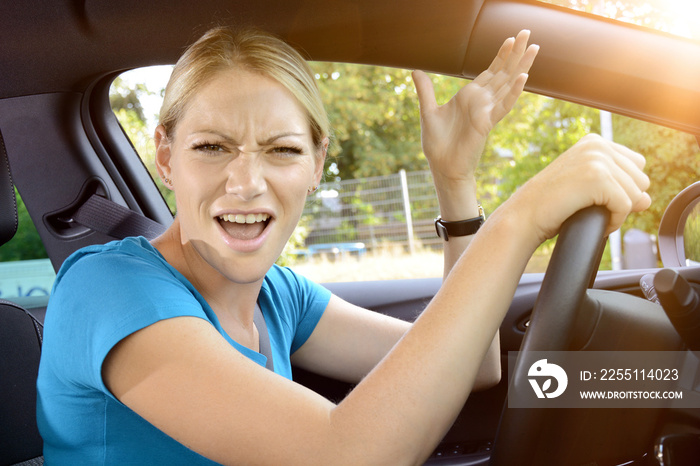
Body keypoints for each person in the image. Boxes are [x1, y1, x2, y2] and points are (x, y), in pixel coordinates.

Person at [36, 26, 650, 465]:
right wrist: (522, 220)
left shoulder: (279, 297)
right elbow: (348, 454)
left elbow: (477, 368)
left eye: (282, 150)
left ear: (315, 163)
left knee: (651, 385)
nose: (247, 183)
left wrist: (455, 181)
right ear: (166, 158)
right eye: (212, 147)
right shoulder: (106, 288)